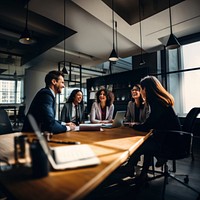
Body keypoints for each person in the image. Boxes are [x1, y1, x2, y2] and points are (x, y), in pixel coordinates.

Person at [123, 75, 181, 185]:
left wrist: (133, 126)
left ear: (146, 89)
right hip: (172, 139)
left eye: (141, 89)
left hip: (170, 143)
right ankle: (141, 172)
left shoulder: (158, 103)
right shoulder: (161, 102)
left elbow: (147, 125)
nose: (141, 92)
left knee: (141, 145)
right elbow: (151, 123)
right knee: (147, 141)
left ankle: (130, 167)